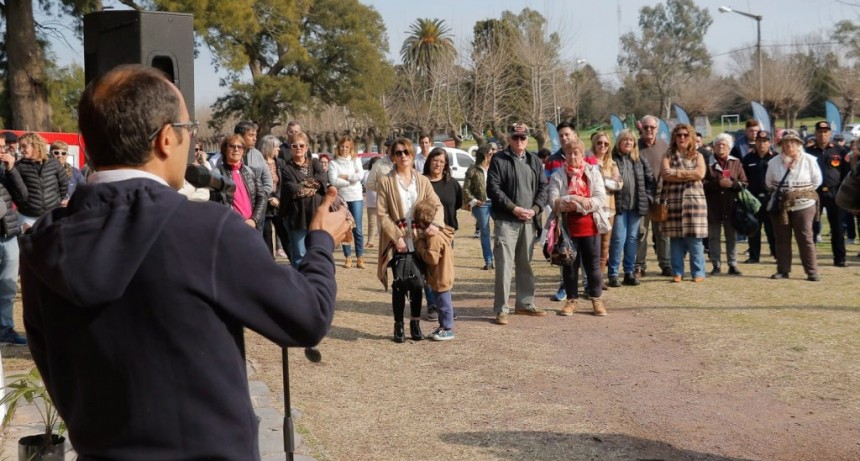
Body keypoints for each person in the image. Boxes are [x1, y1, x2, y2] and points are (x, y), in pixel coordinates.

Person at [19, 64, 352, 460]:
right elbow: (308, 316)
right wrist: (320, 242)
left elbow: (54, 371)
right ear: (165, 139)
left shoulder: (42, 242)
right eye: (188, 126)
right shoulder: (205, 230)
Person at [375, 138, 443, 342]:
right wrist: (397, 237)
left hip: (419, 239)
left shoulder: (422, 181)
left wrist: (435, 225)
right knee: (399, 283)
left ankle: (415, 323)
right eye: (398, 153)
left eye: (406, 152)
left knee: (417, 284)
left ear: (412, 155)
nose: (403, 156)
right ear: (392, 156)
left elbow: (437, 205)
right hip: (397, 241)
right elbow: (382, 214)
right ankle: (398, 326)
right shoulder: (386, 181)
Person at [486, 122, 548, 325]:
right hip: (506, 220)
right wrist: (514, 208)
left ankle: (524, 303)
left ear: (527, 139)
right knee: (504, 265)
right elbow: (493, 189)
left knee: (526, 263)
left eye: (523, 138)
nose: (519, 141)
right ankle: (501, 309)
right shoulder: (499, 159)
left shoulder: (534, 160)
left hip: (530, 221)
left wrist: (536, 209)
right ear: (509, 139)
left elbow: (543, 188)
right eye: (515, 137)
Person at [547, 138, 609, 316]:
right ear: (564, 155)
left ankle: (597, 300)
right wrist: (574, 200)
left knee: (593, 266)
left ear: (583, 155)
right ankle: (571, 300)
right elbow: (553, 200)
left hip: (590, 227)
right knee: (569, 266)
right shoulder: (558, 175)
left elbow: (599, 199)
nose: (573, 156)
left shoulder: (593, 173)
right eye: (569, 153)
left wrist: (579, 204)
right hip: (567, 229)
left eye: (576, 153)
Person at [767, 130, 823, 281]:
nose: (789, 144)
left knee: (805, 237)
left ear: (799, 144)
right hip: (781, 205)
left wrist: (799, 193)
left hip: (804, 204)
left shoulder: (810, 160)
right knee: (782, 238)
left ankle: (812, 271)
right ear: (781, 145)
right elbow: (768, 182)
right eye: (786, 142)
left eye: (793, 142)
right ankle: (783, 270)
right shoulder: (773, 162)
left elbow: (817, 181)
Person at [607, 129, 655, 287]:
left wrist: (647, 198)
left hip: (636, 207)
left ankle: (629, 272)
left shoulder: (639, 159)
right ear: (619, 142)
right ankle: (613, 274)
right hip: (619, 206)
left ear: (634, 143)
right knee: (618, 239)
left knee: (633, 239)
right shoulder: (612, 159)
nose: (628, 142)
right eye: (624, 140)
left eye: (631, 140)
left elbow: (650, 181)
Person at [660, 123, 708, 283]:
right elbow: (666, 175)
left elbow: (700, 173)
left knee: (695, 240)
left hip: (694, 203)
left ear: (691, 137)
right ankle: (677, 272)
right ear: (674, 137)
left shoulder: (698, 155)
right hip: (674, 202)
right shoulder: (668, 154)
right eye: (679, 135)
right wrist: (688, 174)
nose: (682, 137)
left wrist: (677, 173)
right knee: (675, 240)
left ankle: (698, 272)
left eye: (685, 135)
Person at [422, 147, 463, 321]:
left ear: (446, 164)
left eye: (441, 161)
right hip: (429, 232)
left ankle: (444, 306)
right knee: (430, 269)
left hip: (447, 232)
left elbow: (458, 203)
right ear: (429, 161)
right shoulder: (422, 182)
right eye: (435, 160)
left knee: (445, 271)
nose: (438, 164)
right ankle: (433, 305)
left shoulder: (452, 183)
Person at [280, 131, 328, 268]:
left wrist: (302, 185)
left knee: (316, 253)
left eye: (301, 145)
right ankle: (300, 285)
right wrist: (314, 186)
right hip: (297, 217)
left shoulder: (315, 163)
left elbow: (323, 179)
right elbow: (293, 190)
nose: (298, 148)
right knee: (299, 255)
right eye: (295, 146)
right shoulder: (286, 169)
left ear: (306, 147)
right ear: (290, 148)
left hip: (316, 215)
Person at [543, 121, 579, 301]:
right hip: (562, 215)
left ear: (575, 135)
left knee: (587, 253)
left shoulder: (586, 156)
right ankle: (564, 287)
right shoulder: (552, 161)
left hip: (584, 214)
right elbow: (547, 186)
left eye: (567, 134)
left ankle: (589, 286)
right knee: (565, 251)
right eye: (561, 136)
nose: (564, 138)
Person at [704, 133, 748, 276]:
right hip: (713, 206)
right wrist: (717, 183)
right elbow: (701, 184)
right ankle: (716, 265)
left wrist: (733, 184)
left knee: (731, 237)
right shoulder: (707, 163)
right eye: (718, 144)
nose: (721, 147)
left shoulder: (736, 162)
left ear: (729, 148)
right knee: (714, 237)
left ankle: (732, 264)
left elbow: (745, 182)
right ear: (714, 146)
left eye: (724, 145)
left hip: (731, 206)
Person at [413, 197, 456, 341]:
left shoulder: (434, 237)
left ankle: (448, 328)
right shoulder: (438, 233)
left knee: (444, 304)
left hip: (440, 276)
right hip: (441, 274)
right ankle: (443, 326)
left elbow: (431, 258)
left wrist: (419, 244)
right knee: (441, 303)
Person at [807, 121, 849, 267]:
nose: (822, 134)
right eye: (820, 131)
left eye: (825, 132)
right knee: (811, 227)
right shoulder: (809, 152)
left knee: (837, 227)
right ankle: (810, 259)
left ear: (830, 133)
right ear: (815, 132)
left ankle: (840, 258)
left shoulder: (840, 151)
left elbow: (846, 173)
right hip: (814, 193)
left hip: (834, 193)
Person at [636, 115, 672, 277]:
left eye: (652, 127)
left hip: (660, 197)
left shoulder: (665, 147)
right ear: (641, 128)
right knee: (640, 233)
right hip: (640, 198)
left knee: (662, 233)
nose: (649, 130)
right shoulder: (634, 147)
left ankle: (666, 264)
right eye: (646, 127)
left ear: (657, 129)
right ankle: (639, 266)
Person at [0, 137, 28, 346]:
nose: (2, 151)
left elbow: (22, 196)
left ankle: (5, 329)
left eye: (3, 148)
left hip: (8, 234)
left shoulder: (6, 169)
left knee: (8, 287)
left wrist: (11, 169)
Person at [211, 135, 267, 230]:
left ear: (244, 151)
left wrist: (254, 220)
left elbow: (262, 197)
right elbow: (216, 204)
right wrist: (237, 221)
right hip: (231, 228)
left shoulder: (250, 172)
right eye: (232, 146)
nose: (236, 149)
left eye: (240, 147)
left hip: (253, 227)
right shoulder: (217, 174)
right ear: (225, 150)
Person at [14, 132, 69, 228]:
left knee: (52, 242)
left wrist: (56, 202)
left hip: (51, 215)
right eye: (20, 147)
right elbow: (14, 190)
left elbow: (64, 185)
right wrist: (25, 206)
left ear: (35, 145)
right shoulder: (18, 166)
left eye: (24, 146)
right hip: (27, 217)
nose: (21, 150)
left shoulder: (54, 163)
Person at [328, 136, 365, 268]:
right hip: (342, 199)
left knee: (358, 229)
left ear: (351, 148)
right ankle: (348, 257)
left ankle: (360, 257)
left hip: (356, 197)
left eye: (347, 147)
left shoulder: (356, 161)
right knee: (345, 229)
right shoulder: (334, 163)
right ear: (338, 147)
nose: (344, 149)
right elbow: (333, 180)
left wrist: (345, 177)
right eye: (342, 146)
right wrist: (350, 181)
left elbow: (360, 176)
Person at [741, 130, 777, 263]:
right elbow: (744, 178)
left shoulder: (776, 157)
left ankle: (776, 254)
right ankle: (754, 256)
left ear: (770, 142)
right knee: (754, 228)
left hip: (770, 198)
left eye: (765, 141)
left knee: (772, 229)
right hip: (753, 199)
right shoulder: (748, 158)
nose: (762, 144)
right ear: (755, 142)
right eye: (759, 141)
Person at [463, 145, 495, 270]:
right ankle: (489, 261)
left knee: (501, 231)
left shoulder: (494, 168)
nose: (492, 156)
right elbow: (466, 189)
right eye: (491, 154)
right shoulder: (473, 170)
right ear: (485, 155)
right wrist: (475, 201)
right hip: (481, 205)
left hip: (495, 203)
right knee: (485, 232)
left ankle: (501, 259)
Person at [259, 134, 290, 259]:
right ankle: (270, 264)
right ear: (269, 148)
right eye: (276, 147)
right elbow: (256, 183)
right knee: (266, 234)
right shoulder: (258, 164)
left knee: (284, 233)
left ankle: (295, 262)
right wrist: (268, 198)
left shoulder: (281, 163)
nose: (279, 149)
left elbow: (284, 183)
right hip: (264, 205)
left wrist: (277, 197)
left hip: (278, 204)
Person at [234, 121, 274, 196]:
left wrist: (261, 197)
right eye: (251, 135)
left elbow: (268, 180)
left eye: (255, 135)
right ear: (240, 136)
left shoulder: (258, 155)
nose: (255, 139)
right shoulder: (229, 155)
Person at [50, 141, 86, 206]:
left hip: (70, 210)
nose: (60, 156)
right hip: (50, 210)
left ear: (67, 155)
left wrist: (71, 201)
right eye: (56, 153)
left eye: (63, 153)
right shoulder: (44, 171)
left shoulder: (75, 173)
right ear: (50, 154)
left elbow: (84, 191)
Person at [363, 155, 381, 248]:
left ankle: (383, 240)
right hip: (371, 202)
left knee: (382, 223)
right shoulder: (367, 173)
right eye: (374, 164)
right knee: (371, 223)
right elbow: (367, 184)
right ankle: (370, 241)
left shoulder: (384, 173)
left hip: (382, 202)